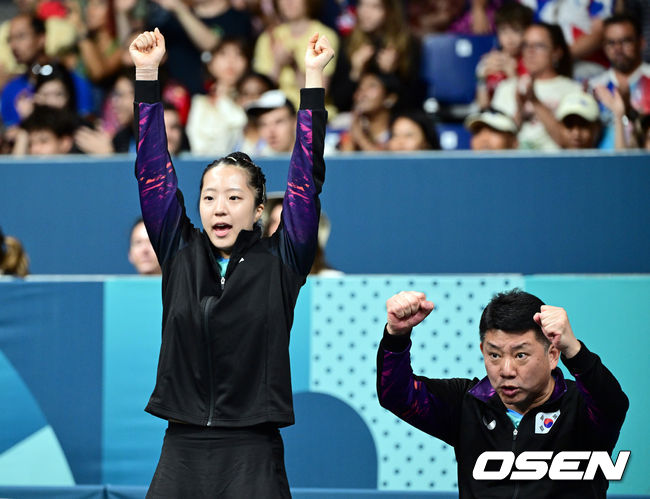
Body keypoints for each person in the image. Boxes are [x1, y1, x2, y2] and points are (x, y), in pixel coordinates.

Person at [129, 27, 333, 496]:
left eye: (234, 197)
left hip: (252, 450)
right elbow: (151, 170)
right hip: (180, 447)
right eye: (209, 197)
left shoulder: (283, 258)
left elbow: (306, 177)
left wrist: (312, 79)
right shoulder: (179, 250)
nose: (219, 208)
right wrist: (146, 74)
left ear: (259, 208)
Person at [377, 288, 629, 498]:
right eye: (494, 355)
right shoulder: (468, 402)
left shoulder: (582, 406)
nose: (506, 370)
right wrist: (396, 335)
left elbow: (613, 404)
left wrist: (574, 349)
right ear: (482, 350)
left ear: (552, 354)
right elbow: (397, 395)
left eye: (521, 355)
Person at [491, 22, 582, 150]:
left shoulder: (573, 90)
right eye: (526, 45)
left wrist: (535, 102)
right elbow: (497, 144)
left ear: (557, 52)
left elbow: (570, 143)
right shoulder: (506, 88)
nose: (530, 51)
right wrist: (519, 112)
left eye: (539, 45)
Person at [590, 13, 650, 149]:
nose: (617, 48)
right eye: (611, 43)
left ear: (641, 42)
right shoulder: (594, 87)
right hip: (601, 164)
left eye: (625, 41)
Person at [476, 2, 533, 109]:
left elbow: (525, 107)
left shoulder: (530, 62)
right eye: (503, 31)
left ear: (526, 32)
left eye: (516, 31)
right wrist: (481, 79)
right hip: (491, 118)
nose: (509, 38)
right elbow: (482, 106)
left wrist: (512, 75)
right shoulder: (489, 61)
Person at [246, 89, 297, 155]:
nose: (271, 131)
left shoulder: (312, 158)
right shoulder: (254, 159)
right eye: (263, 124)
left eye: (279, 122)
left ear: (296, 122)